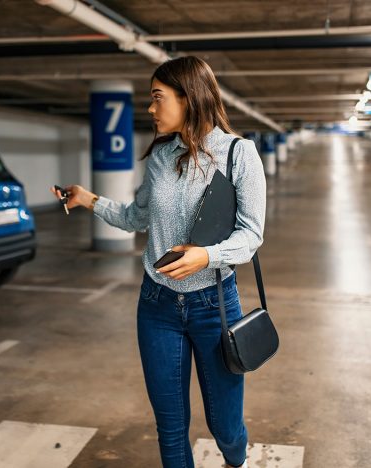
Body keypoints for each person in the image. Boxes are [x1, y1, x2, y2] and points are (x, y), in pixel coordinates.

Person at [50, 56, 265, 468]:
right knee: (170, 426)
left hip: (214, 306)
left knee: (226, 427)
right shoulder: (161, 157)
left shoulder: (240, 154)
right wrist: (88, 199)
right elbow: (136, 217)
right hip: (158, 306)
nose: (149, 108)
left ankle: (236, 460)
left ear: (189, 98)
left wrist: (208, 255)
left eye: (157, 98)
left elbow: (251, 235)